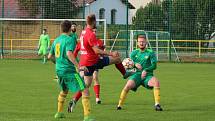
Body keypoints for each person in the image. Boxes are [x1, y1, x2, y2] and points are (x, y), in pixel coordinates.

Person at [67, 14, 133, 113]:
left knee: (86, 85)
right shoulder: (91, 34)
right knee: (117, 58)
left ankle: (74, 101)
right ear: (93, 22)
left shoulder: (83, 32)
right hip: (93, 61)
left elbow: (86, 47)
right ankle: (125, 74)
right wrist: (111, 53)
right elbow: (96, 51)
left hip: (86, 62)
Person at [48, 20, 95, 121]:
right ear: (70, 28)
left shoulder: (56, 40)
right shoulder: (69, 39)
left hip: (59, 71)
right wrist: (78, 66)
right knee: (85, 89)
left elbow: (49, 56)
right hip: (69, 71)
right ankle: (87, 116)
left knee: (64, 90)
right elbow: (69, 53)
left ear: (61, 28)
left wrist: (57, 63)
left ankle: (59, 113)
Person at [116, 34, 163, 111]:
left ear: (146, 42)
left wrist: (146, 70)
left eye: (143, 42)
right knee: (127, 86)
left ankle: (157, 104)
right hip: (136, 75)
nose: (141, 43)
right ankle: (119, 105)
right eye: (140, 42)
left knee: (156, 82)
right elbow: (129, 65)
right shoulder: (134, 53)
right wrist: (134, 64)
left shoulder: (151, 52)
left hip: (147, 75)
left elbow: (154, 66)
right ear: (137, 43)